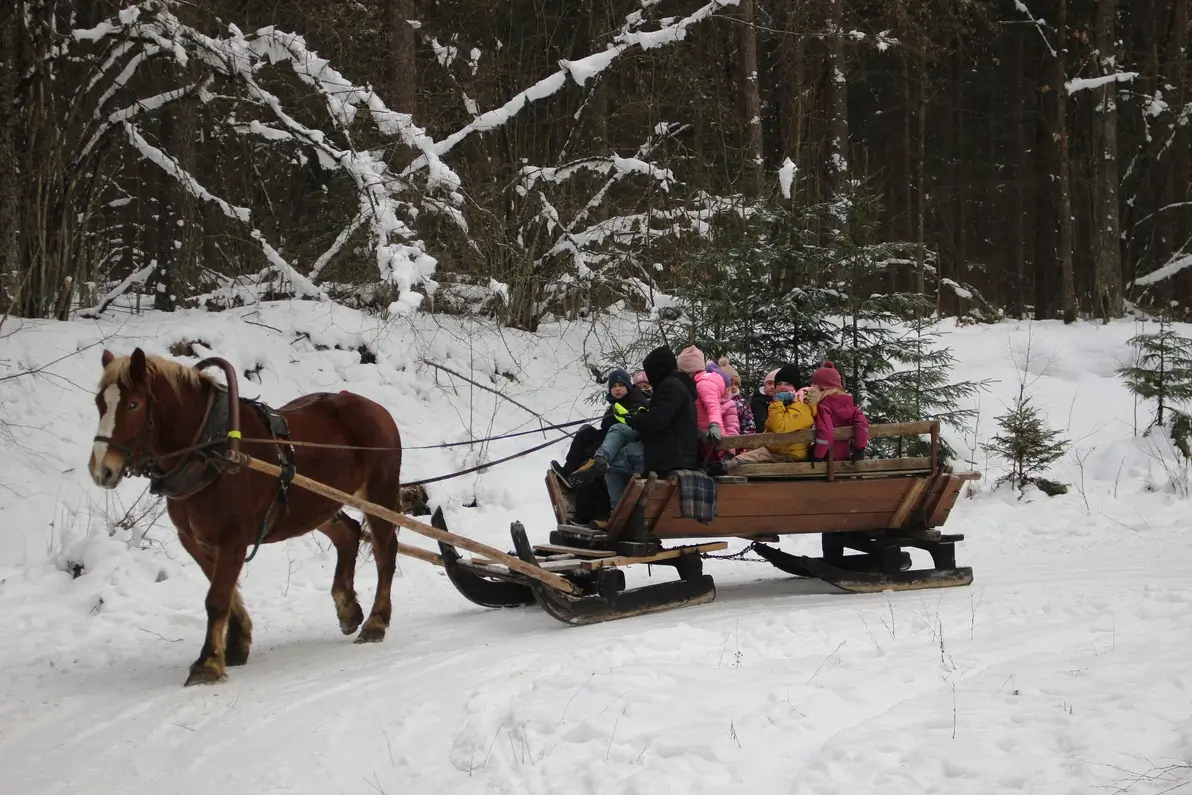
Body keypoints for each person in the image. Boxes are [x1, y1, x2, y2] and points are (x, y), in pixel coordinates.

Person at [571, 346, 698, 506]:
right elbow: (661, 417)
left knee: (613, 464)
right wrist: (638, 418)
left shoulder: (670, 386)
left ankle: (618, 514)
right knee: (618, 429)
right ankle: (599, 459)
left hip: (668, 454)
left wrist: (637, 419)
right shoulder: (678, 385)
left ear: (657, 369)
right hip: (673, 448)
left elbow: (657, 421)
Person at [713, 363, 817, 472]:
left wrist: (777, 402)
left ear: (795, 387)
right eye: (779, 384)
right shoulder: (785, 403)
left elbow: (779, 428)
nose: (782, 387)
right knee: (740, 459)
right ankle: (721, 466)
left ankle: (723, 468)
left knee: (742, 463)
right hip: (775, 451)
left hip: (790, 455)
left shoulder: (801, 405)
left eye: (787, 384)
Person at [808, 361, 869, 462]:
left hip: (827, 458)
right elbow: (862, 425)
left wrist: (817, 455)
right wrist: (859, 449)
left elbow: (825, 433)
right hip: (844, 456)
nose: (811, 386)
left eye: (814, 383)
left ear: (823, 387)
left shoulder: (824, 406)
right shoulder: (850, 405)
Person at [677, 345, 725, 462]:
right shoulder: (694, 384)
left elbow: (713, 406)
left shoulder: (703, 384)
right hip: (703, 439)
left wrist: (714, 425)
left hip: (711, 440)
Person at [750, 367, 779, 433]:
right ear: (764, 385)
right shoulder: (758, 400)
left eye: (775, 384)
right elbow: (761, 423)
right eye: (769, 383)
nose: (772, 387)